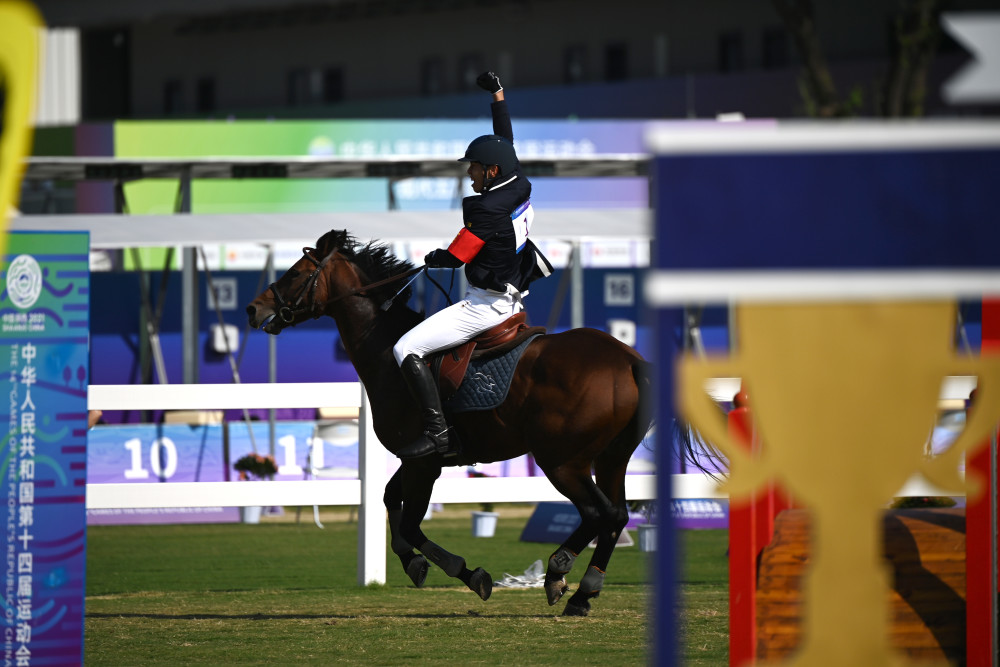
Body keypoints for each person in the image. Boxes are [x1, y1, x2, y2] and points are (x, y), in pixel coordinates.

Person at [393, 70, 551, 460]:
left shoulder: (486, 208)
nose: (470, 173)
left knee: (405, 348)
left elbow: (456, 257)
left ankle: (437, 434)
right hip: (515, 298)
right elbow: (505, 142)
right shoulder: (516, 181)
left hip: (485, 306)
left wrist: (434, 258)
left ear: (490, 172)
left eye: (475, 167)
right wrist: (498, 96)